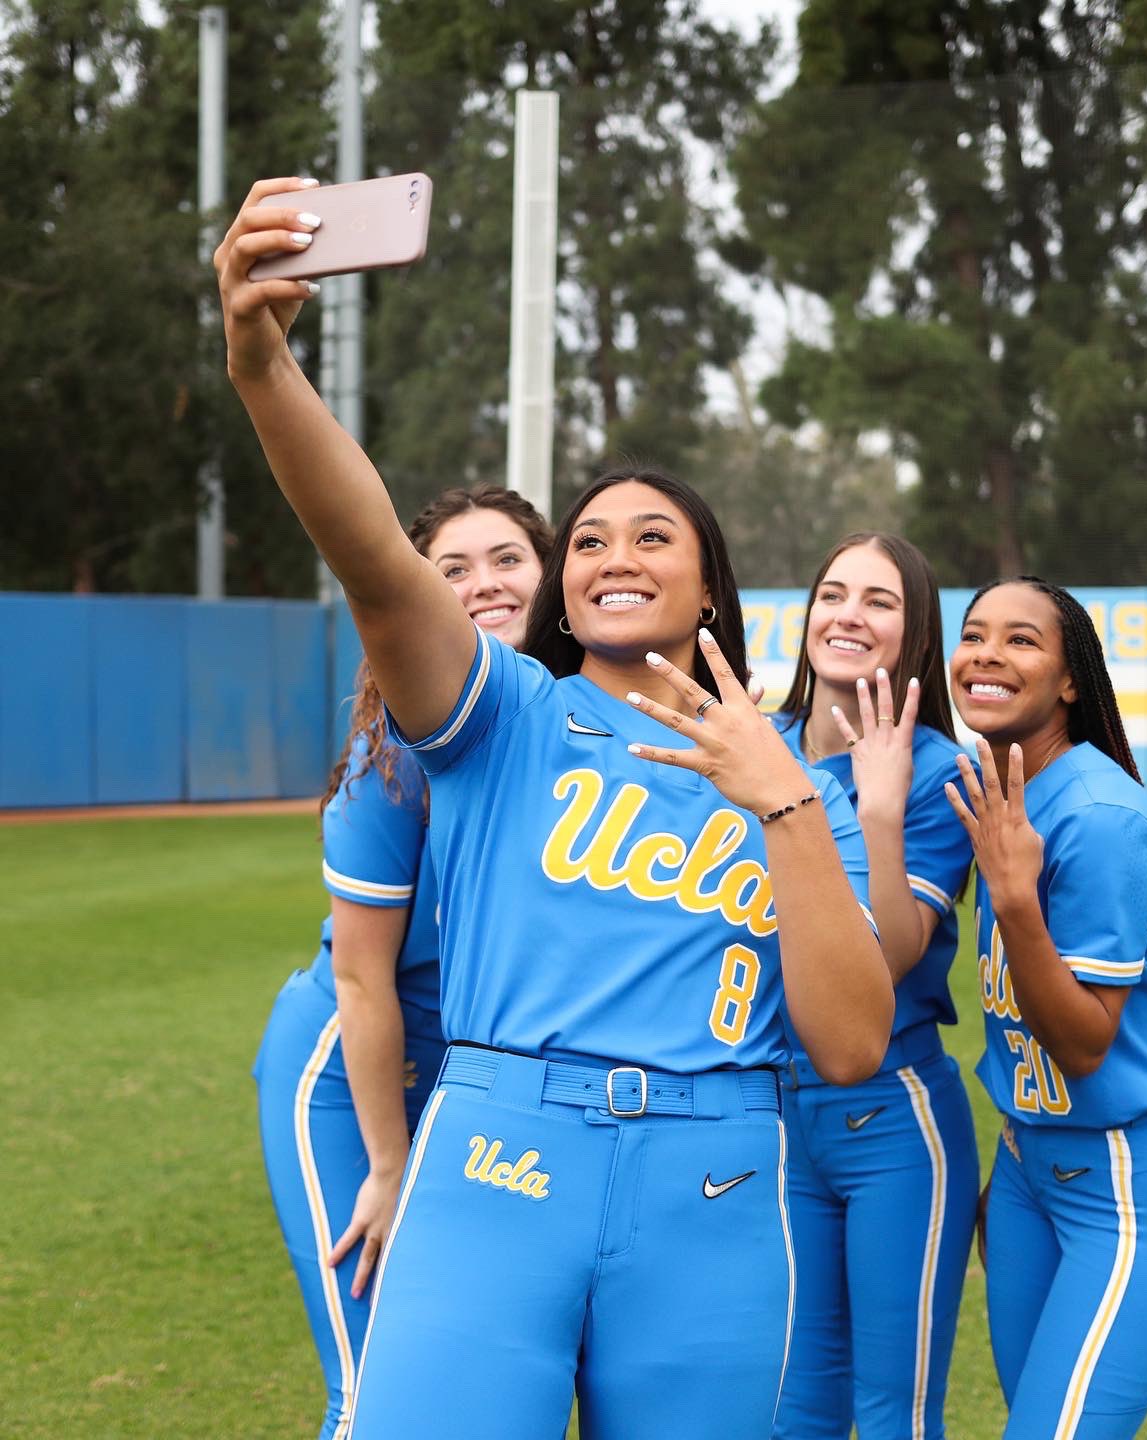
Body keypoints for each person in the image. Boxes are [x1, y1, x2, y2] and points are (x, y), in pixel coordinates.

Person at [216, 177, 894, 1440]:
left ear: (709, 591)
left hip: (717, 1177)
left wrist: (787, 804)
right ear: (563, 593)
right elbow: (370, 552)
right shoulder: (504, 712)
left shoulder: (791, 775)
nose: (614, 555)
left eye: (652, 537)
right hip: (495, 1157)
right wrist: (263, 367)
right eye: (587, 541)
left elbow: (852, 1046)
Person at [253, 485, 553, 1440]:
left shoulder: (574, 725)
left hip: (479, 1087)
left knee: (482, 1377)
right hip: (353, 1072)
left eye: (507, 558)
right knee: (373, 1377)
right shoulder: (400, 748)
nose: (483, 584)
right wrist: (387, 1165)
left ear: (552, 575)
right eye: (450, 569)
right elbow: (361, 977)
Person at [944, 576, 1147, 1440]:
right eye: (974, 633)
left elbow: (1083, 1043)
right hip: (1033, 1169)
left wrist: (1016, 899)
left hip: (1126, 1184)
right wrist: (1015, 1156)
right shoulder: (1011, 792)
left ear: (1072, 681)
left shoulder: (1100, 817)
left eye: (1022, 640)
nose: (988, 654)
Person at [769, 534, 979, 1440]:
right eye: (833, 593)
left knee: (894, 1414)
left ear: (914, 632)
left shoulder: (940, 773)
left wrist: (880, 809)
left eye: (880, 601)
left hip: (893, 1122)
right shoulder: (757, 746)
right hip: (768, 1117)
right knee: (791, 1411)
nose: (849, 614)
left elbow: (885, 963)